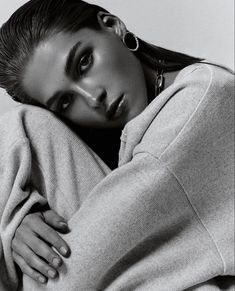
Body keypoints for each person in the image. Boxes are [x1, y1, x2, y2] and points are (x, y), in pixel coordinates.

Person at [0, 0, 234, 290]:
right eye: (65, 101)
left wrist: (8, 229)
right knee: (26, 125)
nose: (92, 96)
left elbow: (70, 278)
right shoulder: (132, 139)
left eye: (84, 62)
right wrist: (20, 221)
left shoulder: (201, 102)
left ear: (113, 26)